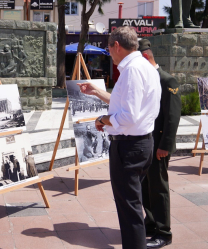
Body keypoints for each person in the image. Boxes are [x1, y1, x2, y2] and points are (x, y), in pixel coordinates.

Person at [77, 26, 161, 249]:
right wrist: (96, 91)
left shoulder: (132, 70)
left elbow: (128, 116)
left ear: (116, 45)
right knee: (132, 205)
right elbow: (124, 103)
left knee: (130, 209)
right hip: (141, 144)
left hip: (129, 147)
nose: (109, 53)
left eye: (109, 48)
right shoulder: (145, 66)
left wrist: (102, 120)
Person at [138, 39, 181, 248]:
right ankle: (152, 222)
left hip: (159, 146)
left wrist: (165, 146)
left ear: (145, 57)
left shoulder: (167, 80)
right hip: (146, 143)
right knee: (146, 186)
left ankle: (164, 232)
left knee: (159, 188)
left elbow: (172, 118)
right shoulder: (146, 78)